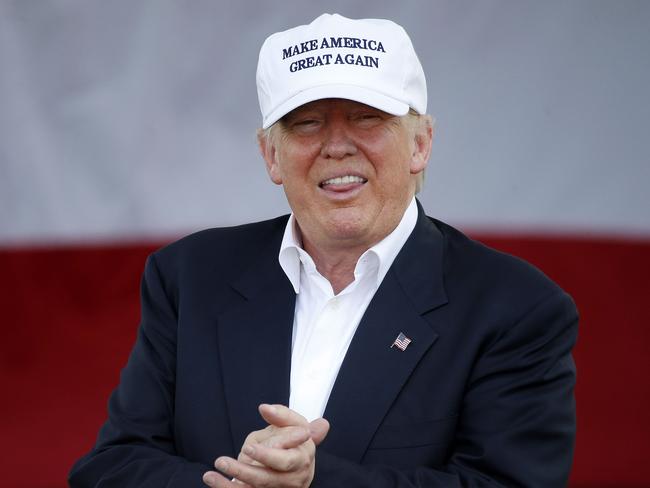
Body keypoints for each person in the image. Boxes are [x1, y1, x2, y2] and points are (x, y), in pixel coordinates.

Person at [69, 13, 578, 488]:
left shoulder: (515, 308)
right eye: (307, 123)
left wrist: (315, 481)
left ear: (420, 144)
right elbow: (111, 465)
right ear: (271, 155)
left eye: (366, 118)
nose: (337, 145)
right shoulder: (189, 276)